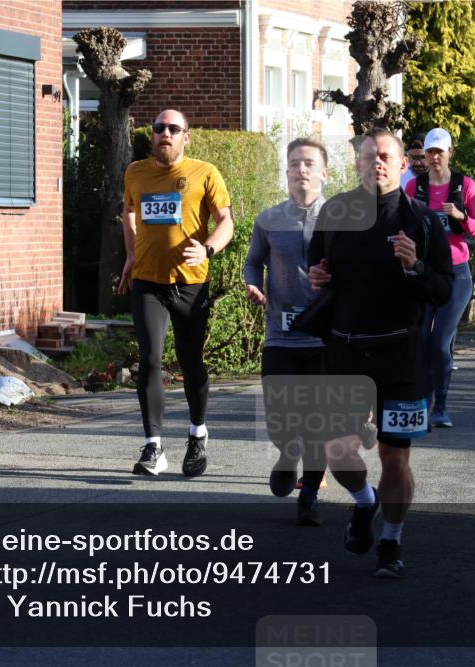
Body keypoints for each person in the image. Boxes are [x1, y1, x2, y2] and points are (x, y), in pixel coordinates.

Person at [307, 127, 453, 577]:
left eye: (386, 156)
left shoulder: (423, 220)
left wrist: (416, 266)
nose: (377, 163)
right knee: (337, 451)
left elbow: (444, 290)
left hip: (399, 354)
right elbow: (317, 264)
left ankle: (391, 541)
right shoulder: (335, 212)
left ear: (403, 163)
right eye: (369, 156)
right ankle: (363, 501)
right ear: (357, 162)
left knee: (395, 456)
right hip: (347, 350)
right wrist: (316, 276)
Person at [119, 109, 234, 476]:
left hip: (191, 283)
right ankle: (153, 446)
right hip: (148, 282)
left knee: (190, 361)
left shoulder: (205, 172)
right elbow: (129, 212)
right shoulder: (135, 172)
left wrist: (208, 249)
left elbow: (226, 221)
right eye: (158, 128)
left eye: (173, 128)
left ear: (186, 137)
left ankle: (198, 433)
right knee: (151, 359)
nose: (164, 133)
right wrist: (131, 254)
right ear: (152, 135)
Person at [245, 138, 329, 524]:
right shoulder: (268, 219)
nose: (301, 169)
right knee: (280, 419)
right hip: (281, 335)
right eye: (295, 163)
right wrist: (253, 284)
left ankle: (309, 497)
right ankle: (286, 452)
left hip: (324, 338)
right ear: (286, 172)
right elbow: (253, 262)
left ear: (324, 172)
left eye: (309, 163)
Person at [405, 128, 475, 426]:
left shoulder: (465, 185)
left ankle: (440, 406)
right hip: (424, 272)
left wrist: (461, 217)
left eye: (440, 151)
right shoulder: (414, 187)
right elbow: (401, 224)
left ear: (450, 152)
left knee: (440, 342)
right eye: (430, 152)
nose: (434, 157)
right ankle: (424, 404)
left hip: (456, 272)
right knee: (422, 340)